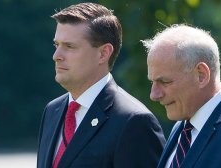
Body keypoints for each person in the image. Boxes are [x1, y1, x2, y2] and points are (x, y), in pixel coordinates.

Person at [36, 2, 166, 168]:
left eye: (69, 46)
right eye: (57, 45)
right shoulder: (52, 111)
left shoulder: (135, 122)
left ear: (103, 53)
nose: (56, 55)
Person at [142, 24, 221, 168]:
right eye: (153, 81)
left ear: (201, 75)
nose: (154, 95)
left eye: (164, 81)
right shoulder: (182, 127)